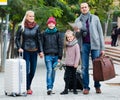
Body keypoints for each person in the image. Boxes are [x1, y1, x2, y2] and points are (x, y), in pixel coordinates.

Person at [74, 2, 105, 94]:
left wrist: (102, 48)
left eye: (85, 7)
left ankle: (97, 86)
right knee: (84, 67)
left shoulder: (95, 18)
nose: (84, 8)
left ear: (88, 8)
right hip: (84, 45)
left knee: (97, 67)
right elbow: (76, 35)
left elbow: (100, 33)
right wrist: (79, 32)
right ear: (80, 9)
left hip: (95, 45)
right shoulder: (77, 20)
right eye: (82, 7)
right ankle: (86, 87)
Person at [15, 10, 43, 95]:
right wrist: (19, 47)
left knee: (33, 71)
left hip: (34, 51)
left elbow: (39, 40)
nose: (32, 18)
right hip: (25, 51)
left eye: (33, 16)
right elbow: (17, 38)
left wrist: (41, 51)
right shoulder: (21, 26)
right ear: (26, 17)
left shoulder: (37, 27)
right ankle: (27, 88)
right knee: (26, 70)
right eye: (30, 16)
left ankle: (28, 85)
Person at [40, 16, 63, 95]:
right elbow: (42, 44)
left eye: (52, 23)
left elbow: (60, 45)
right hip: (48, 55)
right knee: (49, 70)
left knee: (53, 72)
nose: (51, 25)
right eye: (49, 23)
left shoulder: (58, 33)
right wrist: (41, 52)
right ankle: (49, 87)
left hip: (56, 56)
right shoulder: (44, 34)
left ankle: (51, 87)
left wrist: (60, 57)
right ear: (47, 24)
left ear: (55, 24)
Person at [60, 30, 80, 95]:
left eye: (71, 37)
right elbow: (65, 54)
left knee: (74, 77)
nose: (69, 38)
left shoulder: (76, 45)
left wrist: (76, 63)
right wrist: (63, 62)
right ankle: (66, 90)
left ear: (73, 37)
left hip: (74, 64)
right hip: (68, 64)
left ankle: (74, 89)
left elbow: (78, 55)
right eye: (68, 37)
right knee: (67, 77)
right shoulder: (67, 45)